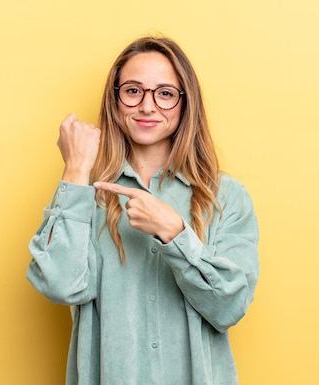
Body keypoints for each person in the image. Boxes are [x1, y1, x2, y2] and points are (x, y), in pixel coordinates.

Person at [27, 36, 260, 385]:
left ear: (185, 103)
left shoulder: (226, 196)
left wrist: (175, 234)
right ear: (115, 99)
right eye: (133, 90)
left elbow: (229, 306)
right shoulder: (85, 193)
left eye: (165, 93)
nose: (148, 106)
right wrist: (76, 171)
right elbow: (60, 285)